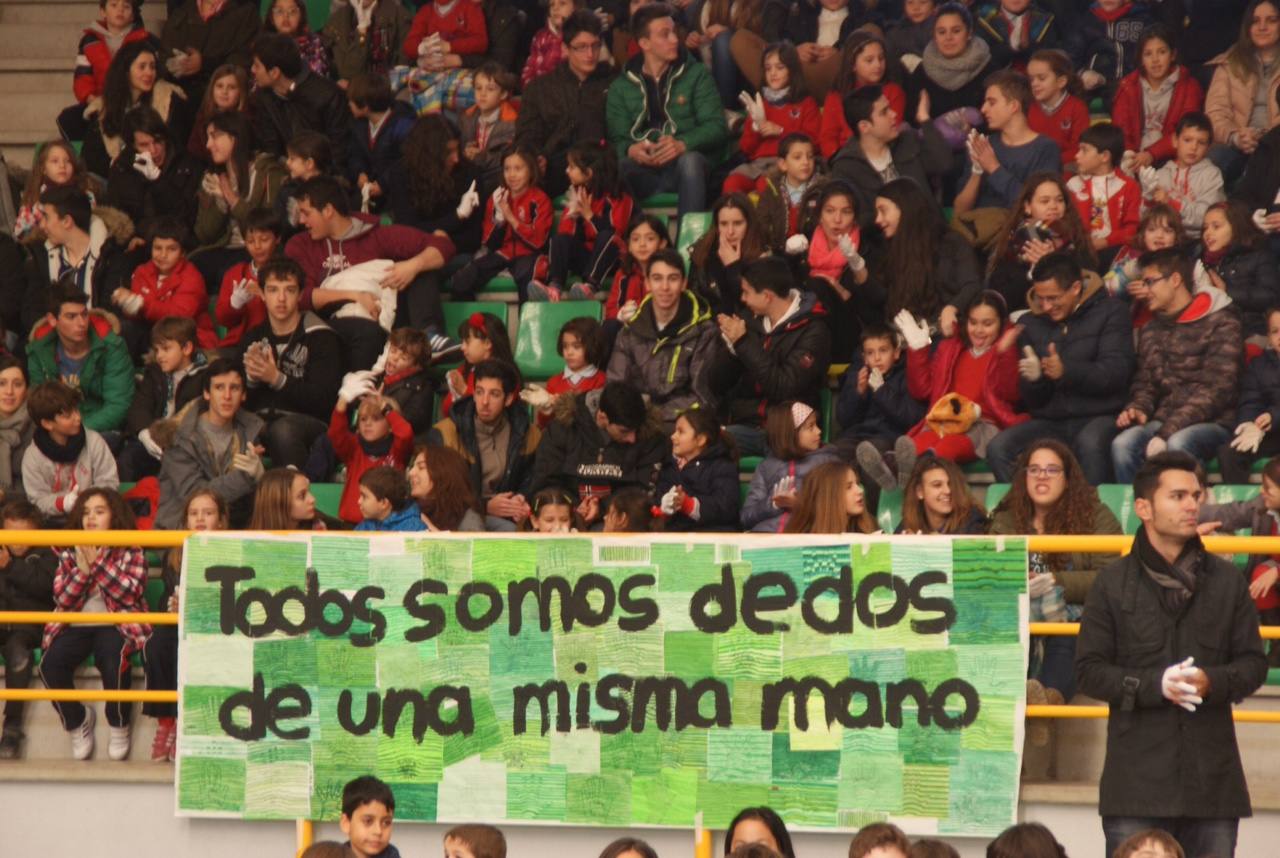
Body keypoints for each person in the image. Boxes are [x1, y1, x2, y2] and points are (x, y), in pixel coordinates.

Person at [1076, 451, 1267, 858]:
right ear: (1143, 507)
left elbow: (1254, 665)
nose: (1192, 504)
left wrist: (1212, 681)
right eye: (1178, 496)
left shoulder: (1228, 581)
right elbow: (1089, 671)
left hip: (1212, 784)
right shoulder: (1111, 584)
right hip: (1136, 786)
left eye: (1196, 495)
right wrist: (1153, 685)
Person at [990, 439, 1122, 743]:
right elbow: (992, 570)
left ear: (1068, 477)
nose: (1042, 477)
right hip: (1019, 614)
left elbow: (1111, 577)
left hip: (1075, 615)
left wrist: (1055, 581)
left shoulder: (1096, 515)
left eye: (1052, 470)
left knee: (1070, 631)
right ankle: (1040, 708)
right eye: (1034, 469)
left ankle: (1045, 706)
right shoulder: (1006, 518)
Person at [987, 252, 1134, 484]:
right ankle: (1025, 516)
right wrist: (1034, 380)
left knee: (1090, 443)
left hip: (1100, 414)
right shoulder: (1028, 323)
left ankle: (1094, 518)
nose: (1045, 306)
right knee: (999, 448)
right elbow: (1034, 401)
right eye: (1040, 298)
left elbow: (1116, 373)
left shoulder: (1112, 312)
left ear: (1075, 288)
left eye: (1053, 298)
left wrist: (1066, 371)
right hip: (1050, 420)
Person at [288, 176, 459, 366]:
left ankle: (428, 337)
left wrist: (412, 266)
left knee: (420, 265)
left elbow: (444, 246)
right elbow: (301, 296)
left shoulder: (374, 234)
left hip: (384, 317)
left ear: (328, 211)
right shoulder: (300, 244)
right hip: (333, 326)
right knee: (365, 331)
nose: (301, 220)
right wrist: (355, 295)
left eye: (306, 213)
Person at [1111, 248, 1243, 484]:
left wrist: (1167, 431)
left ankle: (1187, 514)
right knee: (1123, 444)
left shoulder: (1222, 321)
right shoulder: (1151, 329)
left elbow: (1218, 389)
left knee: (1178, 443)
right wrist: (1138, 408)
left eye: (1150, 282)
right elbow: (1145, 383)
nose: (1145, 289)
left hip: (1214, 422)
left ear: (1175, 280)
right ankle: (1139, 516)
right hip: (1165, 421)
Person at [40, 488, 148, 761]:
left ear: (114, 516)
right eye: (86, 512)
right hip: (75, 624)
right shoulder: (68, 549)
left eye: (99, 512)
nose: (91, 518)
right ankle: (77, 722)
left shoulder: (130, 547)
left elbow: (129, 593)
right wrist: (82, 572)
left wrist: (97, 563)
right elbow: (62, 598)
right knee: (49, 663)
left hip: (117, 623)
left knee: (113, 658)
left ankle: (119, 724)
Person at [606, 3, 728, 216]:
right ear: (644, 43)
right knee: (619, 169)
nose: (674, 39)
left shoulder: (697, 74)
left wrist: (683, 144)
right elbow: (617, 139)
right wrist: (630, 150)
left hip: (686, 168)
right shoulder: (621, 86)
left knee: (690, 162)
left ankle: (689, 247)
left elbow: (716, 127)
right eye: (665, 34)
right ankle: (641, 240)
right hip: (645, 171)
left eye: (674, 32)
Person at [881, 290, 1026, 468]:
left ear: (1001, 325)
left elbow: (1011, 393)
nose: (979, 330)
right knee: (919, 442)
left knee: (948, 446)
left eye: (987, 324)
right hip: (944, 421)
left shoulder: (1006, 351)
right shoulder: (950, 348)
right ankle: (896, 466)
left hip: (983, 425)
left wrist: (1006, 354)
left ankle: (925, 465)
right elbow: (921, 391)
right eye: (973, 322)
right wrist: (918, 349)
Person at [713, 256, 832, 456]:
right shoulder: (748, 320)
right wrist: (732, 351)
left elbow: (784, 386)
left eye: (746, 293)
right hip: (745, 423)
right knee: (705, 445)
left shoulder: (814, 330)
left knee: (777, 459)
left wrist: (743, 343)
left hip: (789, 429)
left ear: (767, 296)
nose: (742, 299)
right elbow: (715, 384)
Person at [237, 258, 343, 470]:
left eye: (290, 290)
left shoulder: (322, 337)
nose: (281, 299)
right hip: (260, 421)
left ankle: (293, 495)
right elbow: (241, 403)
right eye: (273, 290)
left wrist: (277, 379)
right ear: (263, 294)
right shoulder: (252, 339)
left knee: (283, 430)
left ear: (301, 294)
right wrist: (251, 380)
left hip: (308, 423)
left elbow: (324, 401)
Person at [144, 488, 226, 762]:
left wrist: (197, 606)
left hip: (217, 626)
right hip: (182, 623)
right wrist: (175, 605)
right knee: (157, 646)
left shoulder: (233, 549)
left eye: (208, 513)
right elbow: (169, 598)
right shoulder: (176, 554)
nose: (200, 519)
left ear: (222, 520)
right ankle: (166, 722)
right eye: (193, 514)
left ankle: (183, 721)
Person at [607, 249, 721, 426]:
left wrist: (653, 416)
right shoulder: (629, 332)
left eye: (673, 279)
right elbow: (615, 387)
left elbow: (702, 396)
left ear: (683, 283)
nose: (665, 287)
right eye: (657, 278)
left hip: (680, 423)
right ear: (647, 283)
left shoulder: (704, 332)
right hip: (636, 419)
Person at [530, 382, 669, 527]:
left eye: (635, 430)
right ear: (602, 418)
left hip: (618, 520)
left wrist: (602, 508)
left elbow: (643, 491)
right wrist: (574, 508)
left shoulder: (650, 436)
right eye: (624, 431)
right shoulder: (563, 428)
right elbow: (545, 482)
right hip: (565, 517)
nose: (632, 438)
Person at [515, 10, 616, 199]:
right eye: (581, 47)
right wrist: (536, 156)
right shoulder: (540, 88)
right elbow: (527, 134)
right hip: (553, 168)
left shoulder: (613, 83)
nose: (590, 54)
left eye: (595, 46)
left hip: (598, 166)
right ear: (565, 49)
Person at [430, 360, 540, 531]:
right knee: (481, 523)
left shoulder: (527, 433)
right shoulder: (446, 433)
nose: (484, 401)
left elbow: (535, 478)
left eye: (494, 394)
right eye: (479, 392)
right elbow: (438, 492)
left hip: (507, 513)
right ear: (473, 394)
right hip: (459, 513)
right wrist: (485, 506)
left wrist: (521, 499)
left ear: (509, 399)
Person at [155, 358, 265, 530]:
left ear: (243, 395)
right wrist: (246, 478)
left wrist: (262, 479)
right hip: (180, 533)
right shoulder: (178, 436)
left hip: (229, 531)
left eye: (234, 388)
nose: (227, 396)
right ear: (207, 394)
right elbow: (196, 495)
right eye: (219, 387)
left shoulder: (250, 432)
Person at [868, 178, 982, 336]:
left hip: (946, 334)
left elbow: (972, 284)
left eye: (883, 210)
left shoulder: (950, 242)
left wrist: (953, 307)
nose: (878, 220)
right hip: (903, 340)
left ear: (903, 208)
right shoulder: (888, 251)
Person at [829, 87, 950, 230]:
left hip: (929, 232)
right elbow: (860, 219)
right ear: (864, 126)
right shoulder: (846, 167)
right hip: (885, 244)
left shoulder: (906, 141)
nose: (894, 114)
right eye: (884, 112)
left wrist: (925, 119)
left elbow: (944, 164)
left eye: (890, 108)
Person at [1198, 457, 1280, 665]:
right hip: (1270, 575)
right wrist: (1188, 514)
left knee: (1265, 572)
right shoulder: (1263, 505)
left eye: (1268, 488)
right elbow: (1229, 513)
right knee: (1259, 575)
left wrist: (1278, 570)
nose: (1262, 491)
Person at [192, 111, 288, 289]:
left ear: (235, 137)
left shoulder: (268, 172)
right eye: (207, 138)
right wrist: (220, 204)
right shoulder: (213, 176)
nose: (208, 144)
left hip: (258, 249)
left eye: (215, 137)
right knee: (190, 269)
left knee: (226, 275)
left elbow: (267, 225)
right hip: (226, 247)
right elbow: (204, 234)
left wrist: (231, 198)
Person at [529, 141, 634, 302]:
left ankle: (591, 286)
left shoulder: (618, 196)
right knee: (560, 239)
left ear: (588, 173)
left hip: (612, 261)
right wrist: (574, 216)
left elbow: (615, 236)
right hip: (587, 258)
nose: (567, 171)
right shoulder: (577, 193)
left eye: (571, 167)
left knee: (607, 237)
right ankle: (554, 286)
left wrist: (589, 216)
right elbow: (566, 234)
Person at [26, 283, 135, 437]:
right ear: (52, 320)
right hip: (58, 430)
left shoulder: (111, 346)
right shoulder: (39, 350)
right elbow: (39, 404)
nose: (82, 323)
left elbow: (118, 406)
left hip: (102, 430)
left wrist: (75, 430)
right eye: (71, 317)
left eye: (84, 314)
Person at [20, 186, 130, 338]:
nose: (42, 225)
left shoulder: (111, 258)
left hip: (99, 342)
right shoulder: (41, 258)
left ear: (66, 221)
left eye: (46, 217)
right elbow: (31, 310)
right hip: (55, 343)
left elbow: (110, 314)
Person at [837, 324, 926, 511]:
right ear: (864, 357)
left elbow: (909, 417)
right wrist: (858, 393)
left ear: (896, 353)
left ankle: (875, 520)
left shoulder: (907, 377)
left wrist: (881, 391)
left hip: (888, 438)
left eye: (883, 351)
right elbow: (844, 419)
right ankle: (837, 519)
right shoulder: (858, 377)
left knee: (872, 459)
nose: (877, 358)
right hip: (856, 436)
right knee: (833, 457)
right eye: (870, 353)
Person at [450, 145, 554, 302]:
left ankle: (525, 324)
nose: (512, 175)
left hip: (530, 256)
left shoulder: (540, 199)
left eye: (518, 169)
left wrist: (511, 217)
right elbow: (489, 243)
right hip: (503, 253)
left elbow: (538, 242)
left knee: (526, 276)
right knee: (462, 280)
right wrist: (499, 218)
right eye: (507, 169)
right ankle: (477, 323)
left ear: (531, 170)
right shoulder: (497, 197)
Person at [953, 70, 1061, 219]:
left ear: (1013, 106)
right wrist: (976, 172)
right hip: (978, 231)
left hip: (1020, 232)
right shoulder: (983, 145)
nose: (983, 109)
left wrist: (993, 167)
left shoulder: (1045, 148)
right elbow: (959, 211)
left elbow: (1038, 206)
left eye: (992, 102)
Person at [985, 173, 1097, 313]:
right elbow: (1000, 298)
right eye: (1045, 201)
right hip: (1024, 315)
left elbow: (1090, 283)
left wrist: (1054, 263)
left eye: (1059, 200)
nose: (1053, 206)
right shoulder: (1015, 243)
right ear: (1027, 206)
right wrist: (1034, 271)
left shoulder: (1076, 238)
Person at [81, 41, 191, 179]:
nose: (149, 72)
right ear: (126, 71)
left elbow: (176, 147)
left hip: (160, 178)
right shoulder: (103, 107)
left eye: (152, 67)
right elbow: (91, 158)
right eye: (142, 67)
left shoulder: (169, 99)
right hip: (115, 180)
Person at [723, 43, 822, 195]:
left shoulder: (806, 103)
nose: (773, 73)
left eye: (780, 67)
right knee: (732, 182)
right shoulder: (759, 103)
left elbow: (814, 142)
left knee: (766, 184)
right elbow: (746, 149)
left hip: (786, 165)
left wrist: (781, 131)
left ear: (792, 71)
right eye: (768, 68)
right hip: (757, 165)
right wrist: (756, 127)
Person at [119, 316, 208, 482]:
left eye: (166, 349)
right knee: (127, 459)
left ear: (187, 348)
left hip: (186, 445)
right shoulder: (154, 373)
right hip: (153, 441)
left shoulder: (205, 376)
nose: (159, 356)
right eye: (157, 350)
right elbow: (139, 407)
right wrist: (144, 433)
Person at [0, 499, 56, 760]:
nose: (17, 541)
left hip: (29, 628)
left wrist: (10, 566)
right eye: (10, 534)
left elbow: (44, 587)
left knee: (19, 655)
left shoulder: (48, 554)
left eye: (24, 534)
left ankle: (11, 728)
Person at [249, 33, 351, 176]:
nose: (252, 70)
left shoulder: (328, 96)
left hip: (324, 178)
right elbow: (271, 148)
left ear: (274, 72)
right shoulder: (264, 97)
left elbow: (339, 151)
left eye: (257, 66)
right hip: (286, 174)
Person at [790, 182, 869, 359]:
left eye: (846, 212)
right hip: (811, 336)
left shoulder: (865, 250)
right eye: (830, 211)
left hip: (853, 334)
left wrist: (842, 294)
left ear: (855, 218)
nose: (837, 219)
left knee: (817, 285)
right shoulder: (803, 250)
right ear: (819, 216)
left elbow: (873, 309)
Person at [114, 219, 216, 357]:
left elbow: (178, 318)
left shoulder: (192, 277)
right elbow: (137, 315)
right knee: (124, 328)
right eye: (157, 248)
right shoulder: (142, 272)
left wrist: (141, 303)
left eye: (171, 249)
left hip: (189, 339)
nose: (163, 255)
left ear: (183, 252)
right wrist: (128, 304)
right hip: (154, 334)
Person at [1204, 0, 1280, 183]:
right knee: (1213, 162)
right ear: (1247, 26)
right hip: (1237, 143)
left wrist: (1268, 137)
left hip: (1276, 144)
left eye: (1271, 20)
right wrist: (1235, 136)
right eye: (1255, 21)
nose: (1262, 27)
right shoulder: (1228, 63)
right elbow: (1215, 113)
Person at [384, 115, 484, 253]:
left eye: (457, 149)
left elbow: (474, 237)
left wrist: (444, 242)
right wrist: (457, 216)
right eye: (448, 152)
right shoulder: (401, 173)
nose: (456, 158)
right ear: (429, 154)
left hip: (455, 250)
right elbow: (406, 228)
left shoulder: (469, 173)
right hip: (413, 247)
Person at [1112, 26, 1206, 170]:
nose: (1155, 60)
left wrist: (1152, 154)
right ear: (1141, 59)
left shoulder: (1189, 87)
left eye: (1162, 52)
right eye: (1148, 54)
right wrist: (1131, 155)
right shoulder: (1128, 86)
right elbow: (1122, 129)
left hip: (1172, 157)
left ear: (1173, 55)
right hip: (1134, 157)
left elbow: (1186, 131)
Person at [64, 0, 160, 142]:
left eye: (126, 7)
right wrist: (92, 99)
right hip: (101, 100)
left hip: (134, 101)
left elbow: (154, 72)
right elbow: (82, 77)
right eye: (114, 5)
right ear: (103, 11)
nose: (120, 10)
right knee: (67, 118)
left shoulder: (144, 39)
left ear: (133, 15)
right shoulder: (89, 41)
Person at [742, 401, 841, 532]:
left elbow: (838, 511)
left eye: (816, 424)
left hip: (807, 538)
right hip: (765, 538)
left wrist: (800, 505)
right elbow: (745, 517)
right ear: (790, 433)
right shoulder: (766, 467)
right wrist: (773, 504)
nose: (819, 431)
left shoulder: (829, 462)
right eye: (810, 427)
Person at [328, 378, 414, 525]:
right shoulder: (354, 447)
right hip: (351, 524)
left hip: (387, 525)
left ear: (390, 424)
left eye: (376, 418)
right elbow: (336, 433)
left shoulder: (396, 450)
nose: (368, 423)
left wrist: (385, 408)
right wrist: (343, 400)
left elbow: (405, 433)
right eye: (362, 419)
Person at [105, 106, 203, 230]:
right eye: (144, 145)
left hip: (177, 239)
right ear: (132, 147)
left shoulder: (187, 164)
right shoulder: (121, 169)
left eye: (158, 141)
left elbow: (187, 216)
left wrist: (158, 180)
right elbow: (116, 219)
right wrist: (131, 240)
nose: (153, 150)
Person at [817, 31, 908, 160]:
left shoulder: (893, 92)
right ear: (853, 65)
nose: (877, 65)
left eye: (881, 58)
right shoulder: (836, 95)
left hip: (882, 156)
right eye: (869, 60)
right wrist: (838, 162)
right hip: (844, 160)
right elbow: (828, 137)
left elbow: (890, 133)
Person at [1197, 200, 1280, 338]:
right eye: (1205, 228)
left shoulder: (1259, 256)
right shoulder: (1202, 262)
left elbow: (1271, 296)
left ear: (1236, 227)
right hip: (1211, 333)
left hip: (1250, 332)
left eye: (1216, 227)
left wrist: (1227, 292)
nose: (1208, 233)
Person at [905, 4, 995, 130]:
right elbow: (911, 122)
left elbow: (999, 118)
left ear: (969, 33)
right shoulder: (921, 73)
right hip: (933, 146)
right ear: (934, 36)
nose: (948, 38)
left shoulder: (989, 69)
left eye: (956, 31)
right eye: (941, 32)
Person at [1139, 112, 1224, 240]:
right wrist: (1148, 197)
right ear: (1175, 140)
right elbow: (1144, 220)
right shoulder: (1160, 174)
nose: (1193, 147)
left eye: (1201, 143)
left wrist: (1171, 203)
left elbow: (1205, 218)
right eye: (1187, 140)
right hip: (1163, 239)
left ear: (1208, 147)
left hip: (1196, 241)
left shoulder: (1212, 175)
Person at [654, 407, 740, 531]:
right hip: (674, 539)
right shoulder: (669, 467)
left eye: (681, 432)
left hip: (712, 538)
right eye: (674, 431)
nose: (673, 436)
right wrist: (663, 510)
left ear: (700, 440)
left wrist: (688, 504)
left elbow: (726, 508)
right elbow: (657, 507)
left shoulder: (722, 467)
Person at [1218, 309, 1280, 481]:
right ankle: (1244, 506)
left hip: (1273, 421)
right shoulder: (1258, 365)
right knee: (1229, 453)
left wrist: (1273, 416)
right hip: (1270, 432)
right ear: (1268, 336)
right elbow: (1250, 400)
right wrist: (1248, 424)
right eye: (1275, 331)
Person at [160, 0, 261, 104]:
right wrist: (175, 65)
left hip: (221, 102)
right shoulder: (183, 8)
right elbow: (165, 55)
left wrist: (204, 63)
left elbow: (242, 62)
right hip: (179, 99)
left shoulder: (245, 12)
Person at [688, 193, 771, 316]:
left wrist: (733, 268)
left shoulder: (763, 256)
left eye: (737, 223)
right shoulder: (701, 253)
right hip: (710, 329)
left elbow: (758, 308)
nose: (730, 231)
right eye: (724, 224)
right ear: (716, 226)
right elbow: (696, 305)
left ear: (749, 224)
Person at [1068, 123, 1141, 258]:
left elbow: (1132, 229)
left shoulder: (1129, 186)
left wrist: (1105, 242)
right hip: (1081, 251)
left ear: (1105, 156)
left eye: (1084, 150)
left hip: (1115, 251)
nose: (1077, 155)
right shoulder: (1074, 185)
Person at [346, 73, 416, 211]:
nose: (348, 104)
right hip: (369, 192)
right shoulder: (359, 124)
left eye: (351, 101)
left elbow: (407, 163)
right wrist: (359, 172)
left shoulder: (403, 125)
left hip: (397, 196)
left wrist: (383, 184)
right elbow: (355, 153)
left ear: (365, 107)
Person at [213, 209, 278, 348]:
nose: (257, 246)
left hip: (273, 343)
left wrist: (264, 295)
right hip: (237, 345)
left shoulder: (286, 272)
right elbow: (222, 319)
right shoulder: (235, 273)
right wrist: (234, 304)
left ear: (278, 239)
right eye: (250, 241)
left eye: (264, 239)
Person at [1064, 0, 1153, 99]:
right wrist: (1082, 73)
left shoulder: (1143, 19)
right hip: (1095, 85)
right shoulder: (1086, 20)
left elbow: (1153, 49)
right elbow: (1072, 56)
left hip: (1134, 83)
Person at [529, 317, 608, 428]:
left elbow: (599, 423)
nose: (569, 352)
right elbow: (544, 426)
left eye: (576, 347)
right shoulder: (553, 382)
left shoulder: (601, 380)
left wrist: (564, 405)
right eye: (565, 346)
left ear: (592, 346)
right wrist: (546, 409)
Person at [754, 133, 825, 252]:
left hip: (814, 252)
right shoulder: (771, 191)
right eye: (797, 157)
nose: (806, 162)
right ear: (783, 164)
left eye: (810, 156)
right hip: (778, 253)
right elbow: (762, 224)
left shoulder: (822, 190)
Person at [458, 63, 520, 190]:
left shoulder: (511, 123)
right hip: (469, 176)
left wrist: (479, 157)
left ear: (503, 94)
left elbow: (504, 159)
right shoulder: (466, 117)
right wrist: (466, 152)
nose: (483, 94)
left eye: (490, 89)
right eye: (478, 88)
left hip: (495, 180)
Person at [441, 312, 513, 418]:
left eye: (467, 342)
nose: (462, 347)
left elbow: (494, 416)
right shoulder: (465, 370)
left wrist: (465, 391)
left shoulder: (507, 375)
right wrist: (454, 391)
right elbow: (447, 411)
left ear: (487, 343)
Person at [1024, 49, 1089, 166]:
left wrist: (1050, 161)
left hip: (1067, 167)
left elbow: (1080, 148)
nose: (1034, 84)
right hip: (1033, 168)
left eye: (1041, 78)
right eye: (1031, 79)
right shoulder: (1029, 108)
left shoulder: (1077, 108)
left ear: (1061, 82)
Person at [324, 0, 412, 85]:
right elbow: (349, 73)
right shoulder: (338, 22)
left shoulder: (399, 15)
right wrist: (362, 30)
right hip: (355, 89)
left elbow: (403, 66)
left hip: (387, 88)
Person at [897, 456, 987, 534]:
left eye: (950, 484)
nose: (948, 491)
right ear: (920, 492)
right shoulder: (911, 519)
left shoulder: (972, 519)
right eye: (937, 485)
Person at [407, 445, 487, 532]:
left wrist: (435, 534)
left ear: (443, 473)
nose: (411, 473)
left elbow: (472, 545)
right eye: (412, 467)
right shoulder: (406, 510)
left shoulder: (466, 518)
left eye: (421, 467)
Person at [785, 460, 878, 534]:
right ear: (828, 496)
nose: (860, 491)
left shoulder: (870, 527)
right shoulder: (800, 540)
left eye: (857, 484)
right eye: (848, 487)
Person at [375, 328, 436, 437]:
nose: (394, 358)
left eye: (403, 357)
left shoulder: (422, 388)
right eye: (393, 351)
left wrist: (382, 408)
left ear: (417, 366)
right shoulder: (379, 375)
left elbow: (411, 425)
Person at [185, 64, 250, 164]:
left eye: (231, 87)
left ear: (241, 92)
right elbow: (193, 152)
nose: (224, 92)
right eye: (219, 86)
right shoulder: (203, 118)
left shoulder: (248, 121)